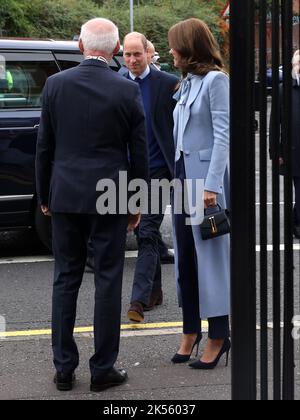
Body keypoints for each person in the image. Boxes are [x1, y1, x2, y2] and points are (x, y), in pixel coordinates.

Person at [35, 18, 148, 392]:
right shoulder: (126, 90)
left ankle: (64, 369)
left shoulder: (55, 85)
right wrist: (137, 201)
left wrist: (45, 196)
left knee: (65, 279)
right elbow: (139, 154)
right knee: (108, 279)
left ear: (80, 46)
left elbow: (44, 148)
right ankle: (103, 369)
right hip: (111, 194)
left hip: (65, 194)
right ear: (117, 50)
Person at [168, 18, 231, 369]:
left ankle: (219, 335)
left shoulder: (215, 81)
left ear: (190, 48)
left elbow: (223, 135)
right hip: (181, 180)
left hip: (204, 185)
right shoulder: (187, 83)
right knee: (186, 261)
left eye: (175, 45)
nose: (171, 52)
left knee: (211, 261)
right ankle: (190, 330)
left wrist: (211, 185)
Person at [122, 32, 178, 322]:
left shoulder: (167, 84)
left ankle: (138, 301)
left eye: (137, 54)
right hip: (126, 173)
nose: (131, 60)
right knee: (147, 232)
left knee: (145, 231)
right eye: (127, 55)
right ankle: (155, 291)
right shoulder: (116, 83)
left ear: (148, 53)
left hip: (157, 170)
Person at [270, 49, 300, 238]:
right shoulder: (284, 90)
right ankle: (297, 221)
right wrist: (275, 152)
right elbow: (274, 124)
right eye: (298, 63)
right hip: (293, 150)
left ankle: (295, 217)